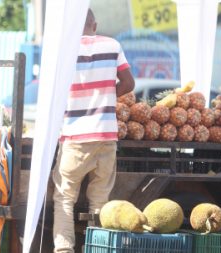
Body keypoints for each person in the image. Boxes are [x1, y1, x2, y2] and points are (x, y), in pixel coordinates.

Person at [52, 8, 135, 253]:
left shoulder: (64, 51)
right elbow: (129, 83)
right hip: (106, 136)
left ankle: (64, 250)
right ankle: (99, 249)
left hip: (74, 138)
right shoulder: (112, 45)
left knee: (65, 198)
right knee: (100, 202)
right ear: (94, 25)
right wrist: (109, 96)